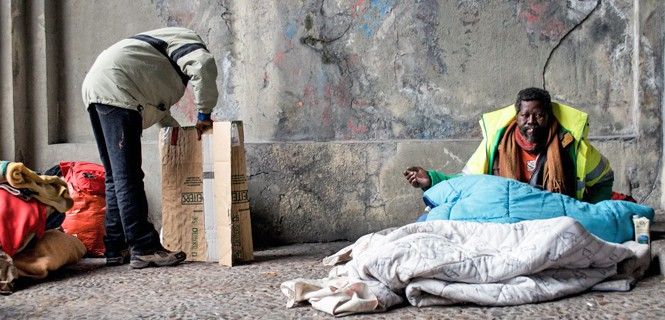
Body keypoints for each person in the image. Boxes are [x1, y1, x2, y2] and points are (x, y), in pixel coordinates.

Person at [82, 27, 219, 268]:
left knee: (116, 176)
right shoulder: (187, 40)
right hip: (117, 88)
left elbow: (159, 110)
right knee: (128, 176)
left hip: (99, 88)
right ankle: (144, 247)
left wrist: (178, 134)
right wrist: (203, 114)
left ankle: (115, 246)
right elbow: (203, 65)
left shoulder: (154, 55)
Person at [405, 87, 614, 203]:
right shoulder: (496, 145)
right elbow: (467, 182)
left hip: (555, 220)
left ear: (549, 117)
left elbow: (604, 178)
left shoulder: (570, 145)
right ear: (517, 117)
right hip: (508, 221)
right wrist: (431, 179)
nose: (531, 121)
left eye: (539, 115)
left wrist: (587, 211)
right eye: (525, 115)